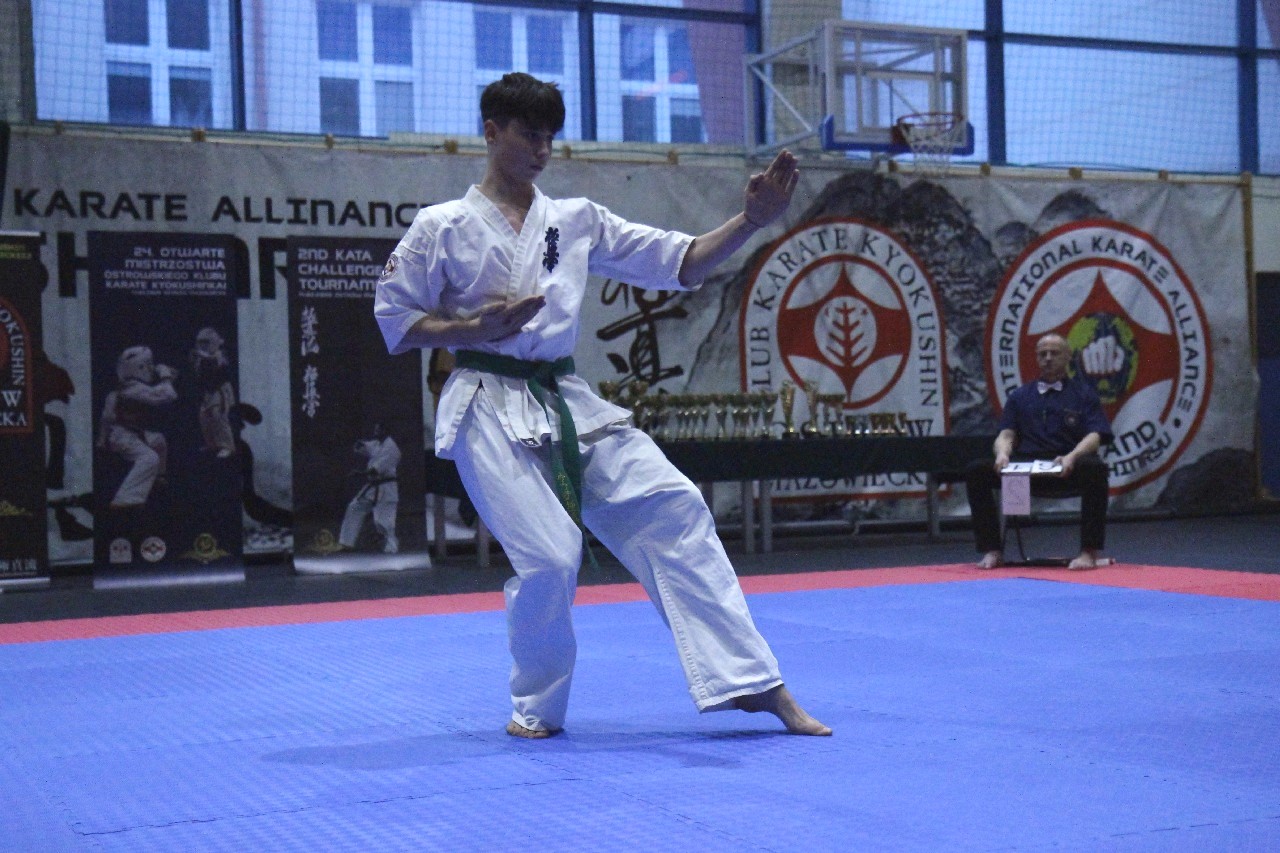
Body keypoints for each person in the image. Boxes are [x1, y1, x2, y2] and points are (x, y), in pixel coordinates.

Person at [374, 72, 829, 739]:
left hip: (564, 397)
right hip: (484, 403)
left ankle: (749, 680)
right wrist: (471, 329)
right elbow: (394, 320)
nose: (543, 149)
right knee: (552, 556)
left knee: (673, 503)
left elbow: (681, 262)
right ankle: (536, 705)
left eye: (550, 137)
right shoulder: (440, 226)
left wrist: (751, 222)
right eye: (530, 134)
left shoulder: (575, 220)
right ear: (492, 132)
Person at [965, 333, 1114, 570]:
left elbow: (1095, 436)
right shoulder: (1019, 396)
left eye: (1054, 353)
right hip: (1025, 471)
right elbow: (1006, 434)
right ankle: (993, 551)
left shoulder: (1084, 394)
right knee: (977, 471)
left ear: (1068, 357)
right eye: (1042, 354)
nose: (1048, 358)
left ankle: (1088, 552)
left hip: (1066, 467)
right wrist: (1002, 454)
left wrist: (1072, 456)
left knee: (1095, 469)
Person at [97, 346, 177, 510]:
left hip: (130, 432)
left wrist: (101, 440)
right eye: (148, 365)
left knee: (159, 440)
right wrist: (165, 377)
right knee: (150, 458)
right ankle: (125, 499)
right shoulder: (134, 389)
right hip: (122, 436)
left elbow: (106, 417)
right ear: (139, 368)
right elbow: (168, 396)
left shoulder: (123, 388)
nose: (151, 368)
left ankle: (158, 476)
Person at [338, 423, 401, 554]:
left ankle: (391, 548)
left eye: (378, 430)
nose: (375, 432)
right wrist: (357, 442)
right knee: (354, 507)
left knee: (383, 522)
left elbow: (375, 470)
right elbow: (365, 447)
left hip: (387, 488)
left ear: (385, 431)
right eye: (375, 429)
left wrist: (359, 473)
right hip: (373, 487)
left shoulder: (391, 448)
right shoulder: (378, 444)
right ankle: (346, 543)